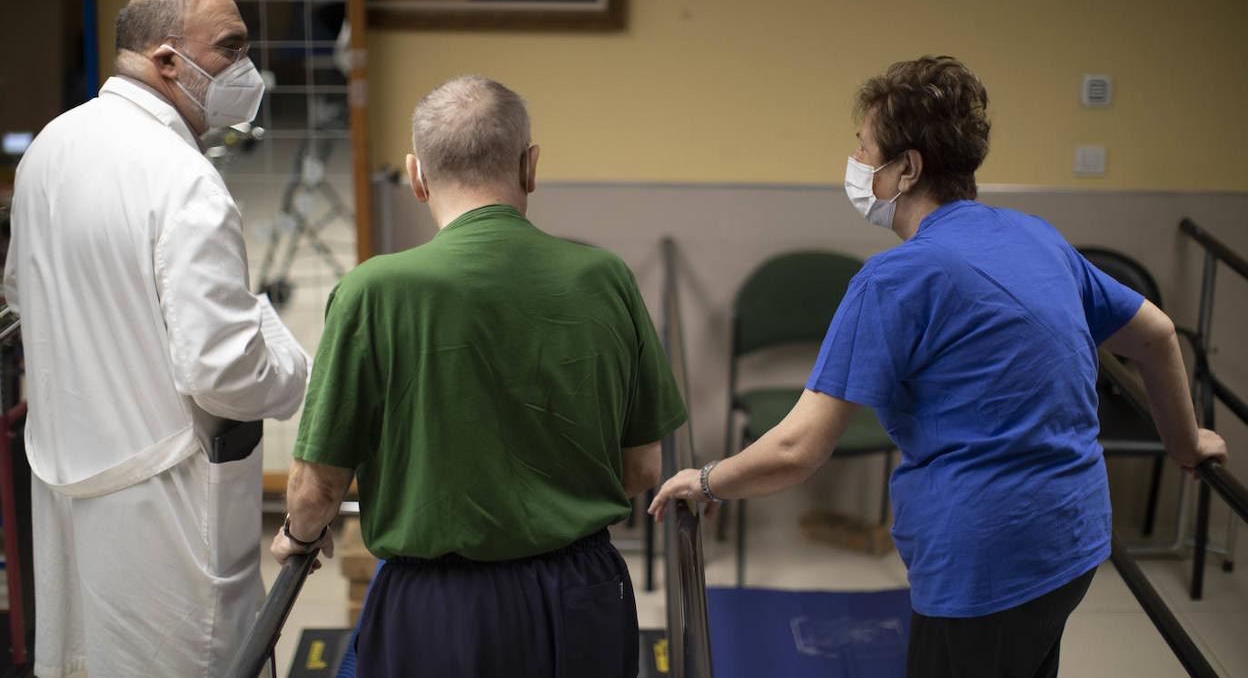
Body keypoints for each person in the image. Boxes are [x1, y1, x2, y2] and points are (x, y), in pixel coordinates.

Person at [649, 56, 1228, 678]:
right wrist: (1187, 443)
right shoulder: (1035, 235)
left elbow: (798, 447)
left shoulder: (896, 277)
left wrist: (706, 481)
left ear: (907, 167)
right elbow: (1157, 334)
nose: (856, 163)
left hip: (985, 560)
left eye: (864, 149)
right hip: (1073, 539)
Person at [271, 75, 686, 678]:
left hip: (438, 607)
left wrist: (298, 538)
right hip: (583, 594)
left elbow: (318, 489)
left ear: (416, 175)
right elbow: (643, 469)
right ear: (530, 166)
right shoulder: (605, 278)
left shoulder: (373, 292)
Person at [4, 0, 310, 677]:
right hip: (166, 499)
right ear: (167, 61)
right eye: (230, 48)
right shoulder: (182, 177)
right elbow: (225, 374)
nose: (246, 69)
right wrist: (297, 367)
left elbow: (22, 291)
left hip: (67, 477)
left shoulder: (51, 146)